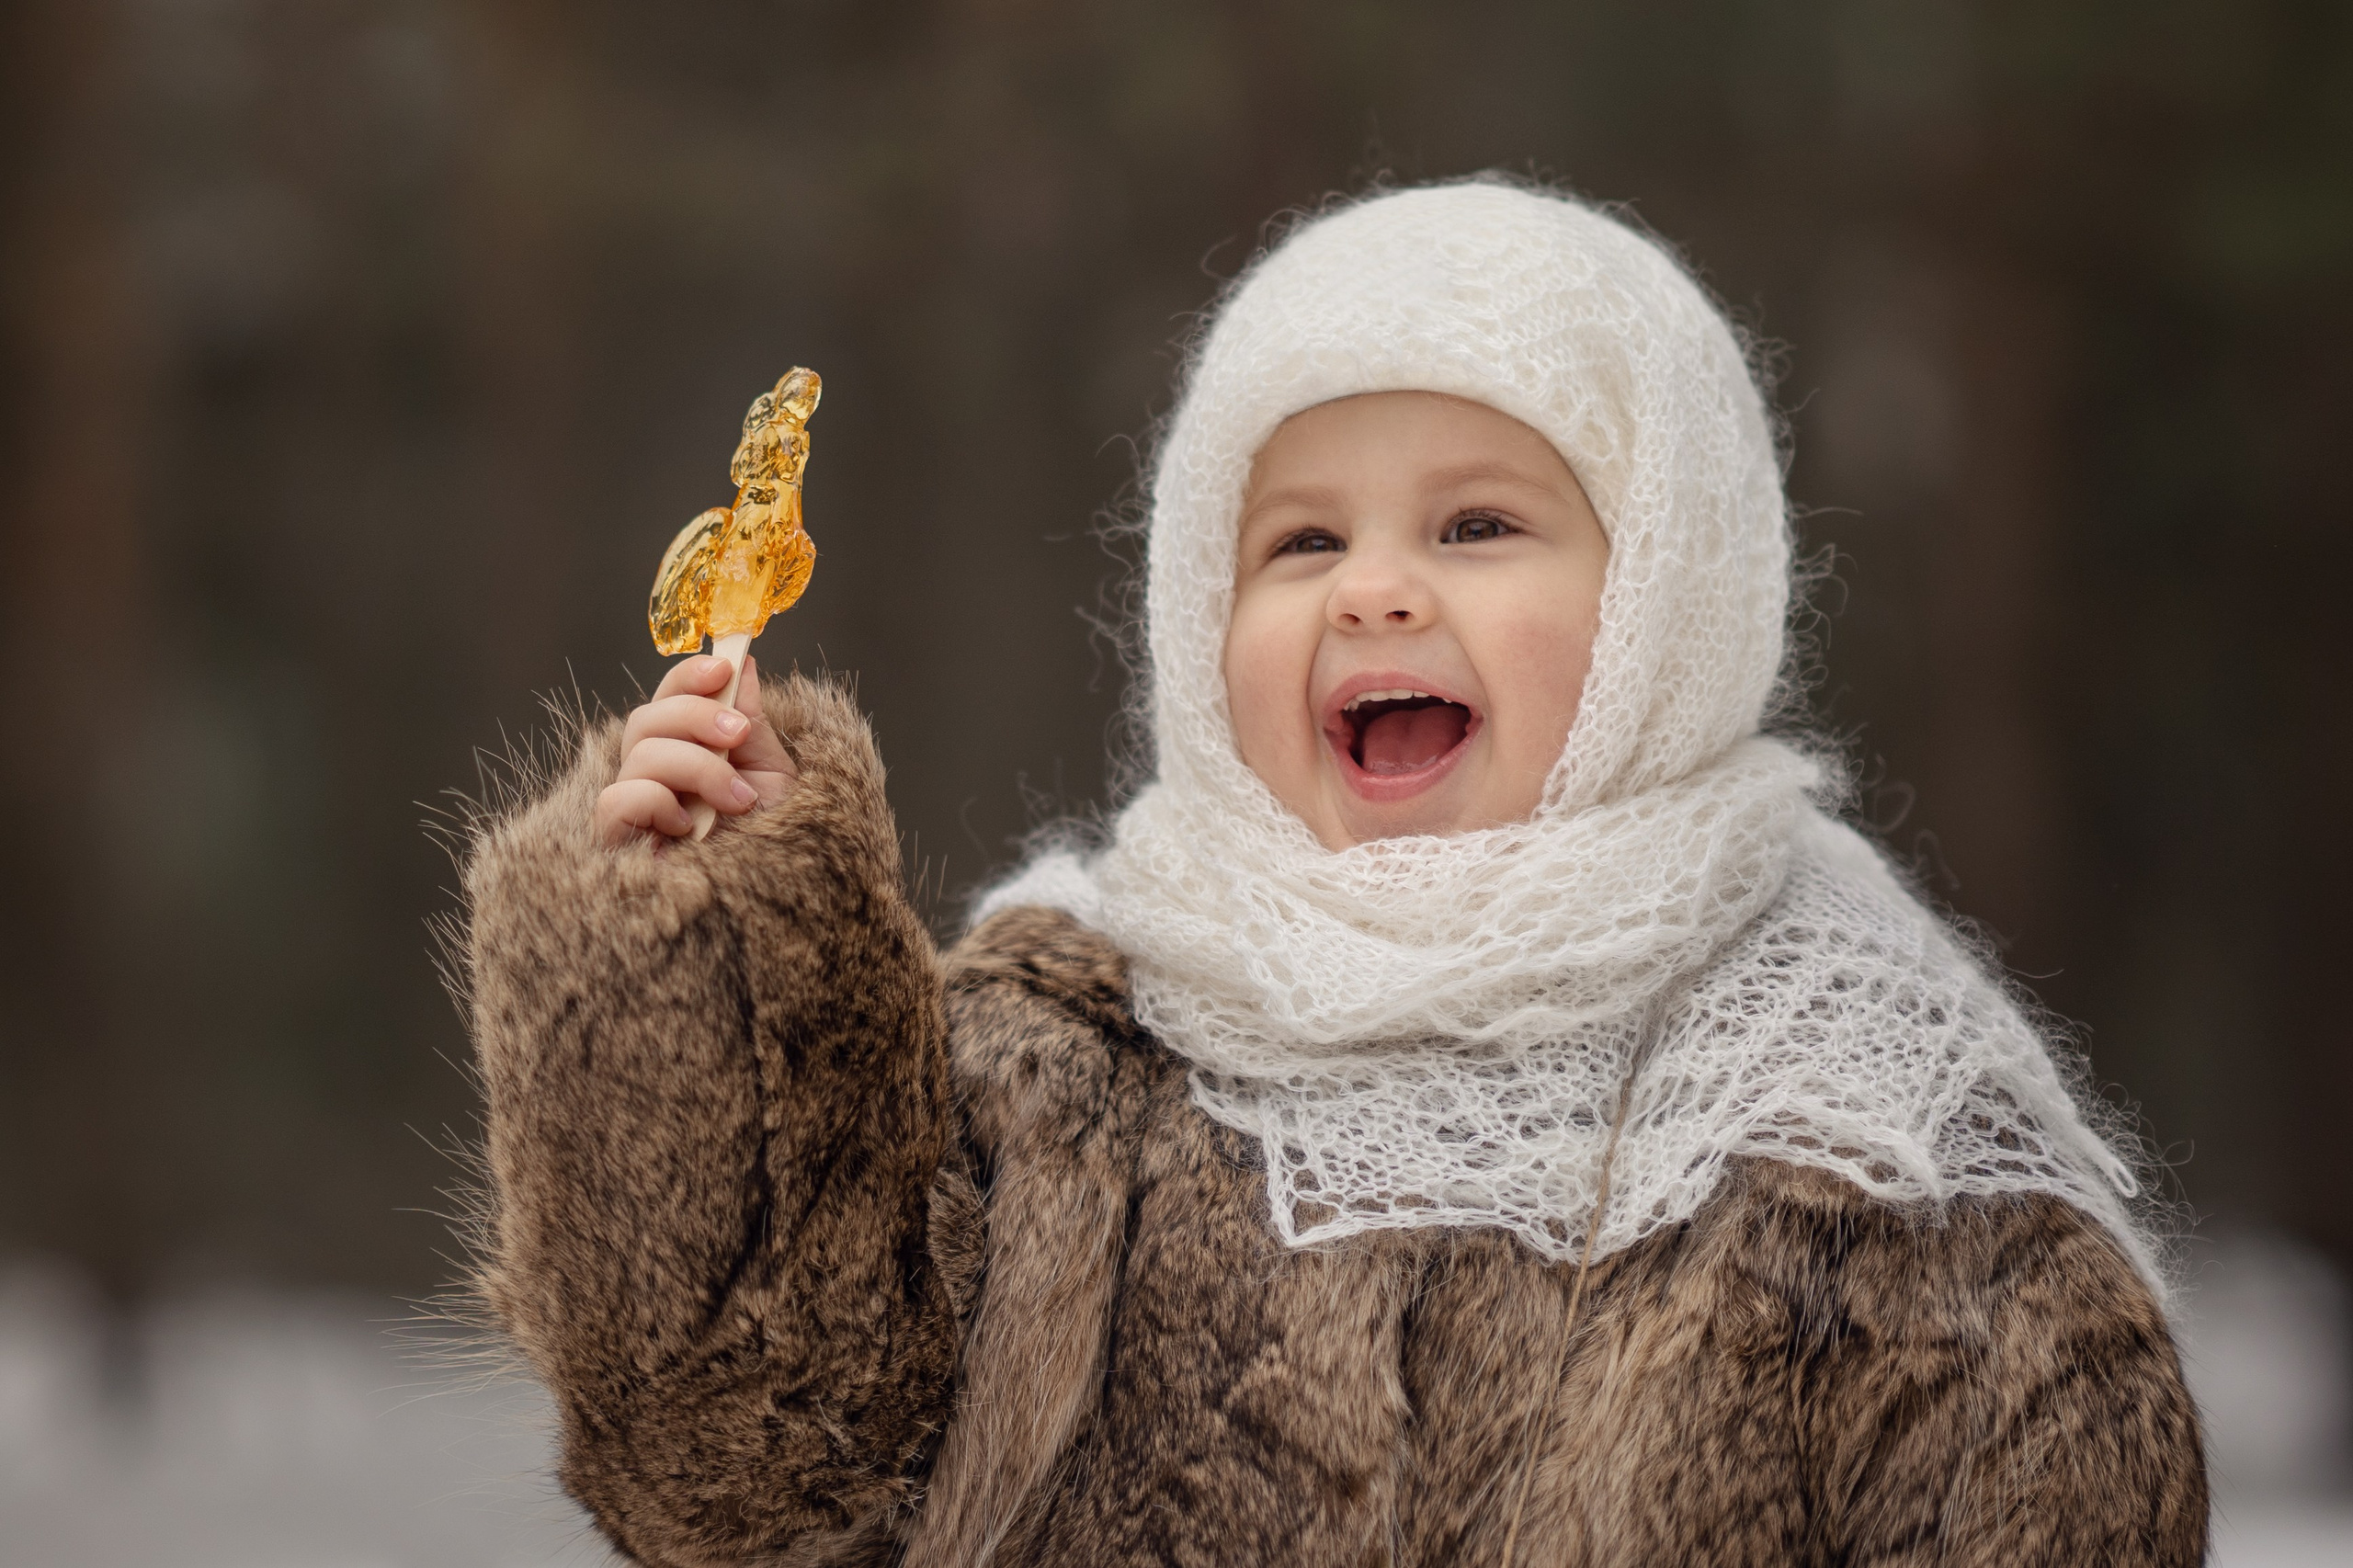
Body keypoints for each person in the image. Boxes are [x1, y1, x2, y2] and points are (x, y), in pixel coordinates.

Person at [458, 179, 2206, 1567]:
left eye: (1476, 523)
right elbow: (734, 1479)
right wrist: (707, 956)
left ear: (1676, 588)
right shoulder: (1064, 1056)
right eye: (1300, 539)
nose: (1370, 590)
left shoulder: (1872, 1156)